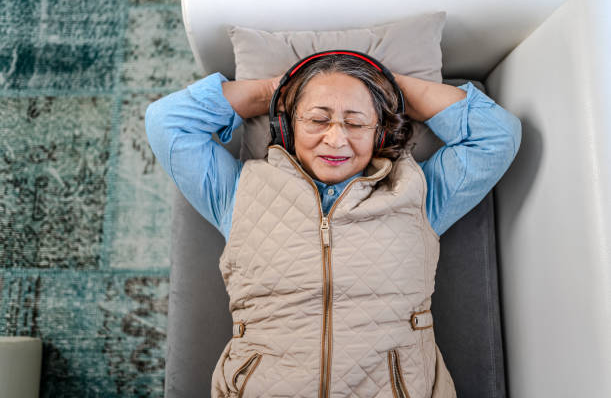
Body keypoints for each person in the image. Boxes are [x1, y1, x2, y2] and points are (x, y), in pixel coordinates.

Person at [145, 51, 521, 397]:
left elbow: (497, 136)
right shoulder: (238, 192)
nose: (336, 138)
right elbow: (167, 122)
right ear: (288, 125)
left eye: (356, 123)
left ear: (381, 134)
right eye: (317, 119)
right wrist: (271, 93)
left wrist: (393, 90)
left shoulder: (419, 193)